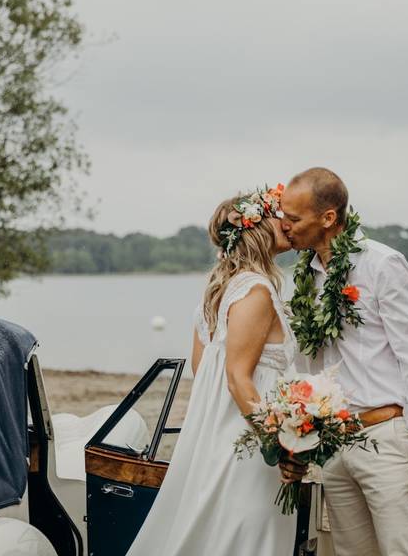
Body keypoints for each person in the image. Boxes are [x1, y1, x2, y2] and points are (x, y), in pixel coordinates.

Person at [279, 167, 408, 556]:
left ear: (328, 218)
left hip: (386, 437)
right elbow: (310, 364)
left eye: (293, 218)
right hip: (334, 444)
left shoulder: (382, 264)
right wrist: (303, 434)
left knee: (404, 550)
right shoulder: (305, 277)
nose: (285, 226)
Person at [126, 185, 298, 556]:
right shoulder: (255, 291)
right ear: (256, 228)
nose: (285, 221)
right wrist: (280, 446)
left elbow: (203, 371)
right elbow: (237, 378)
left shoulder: (220, 290)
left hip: (221, 438)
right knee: (248, 538)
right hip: (251, 445)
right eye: (275, 213)